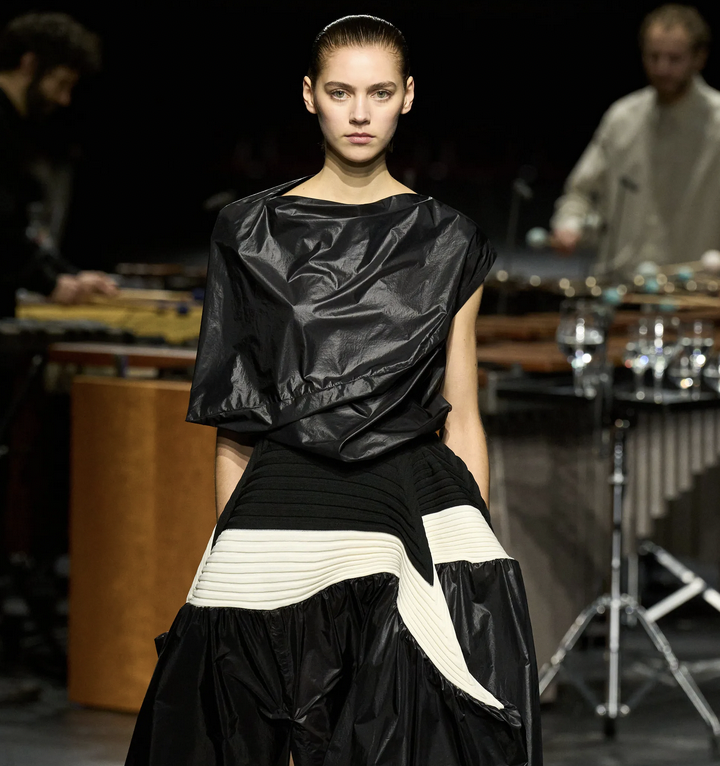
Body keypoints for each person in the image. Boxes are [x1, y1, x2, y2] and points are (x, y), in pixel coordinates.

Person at [125, 15, 541, 766]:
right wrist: (232, 543)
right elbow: (236, 416)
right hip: (285, 502)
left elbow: (462, 415)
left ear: (407, 96)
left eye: (379, 93)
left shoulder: (451, 239)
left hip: (414, 502)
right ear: (309, 95)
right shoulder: (248, 232)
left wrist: (470, 558)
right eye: (341, 92)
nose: (359, 113)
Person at [551, 4, 720, 280]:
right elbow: (580, 193)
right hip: (619, 287)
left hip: (696, 293)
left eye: (674, 58)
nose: (662, 68)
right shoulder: (622, 118)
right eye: (653, 57)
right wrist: (570, 224)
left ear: (699, 58)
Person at [0, 12, 116, 318]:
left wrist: (68, 275)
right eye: (61, 83)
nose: (64, 99)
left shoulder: (13, 128)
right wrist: (49, 282)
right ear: (29, 64)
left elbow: (15, 231)